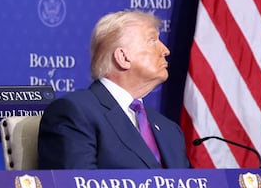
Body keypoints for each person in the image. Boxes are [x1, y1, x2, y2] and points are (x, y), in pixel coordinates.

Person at [38, 10, 190, 169]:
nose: (166, 50)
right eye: (152, 40)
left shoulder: (170, 130)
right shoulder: (75, 114)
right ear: (123, 58)